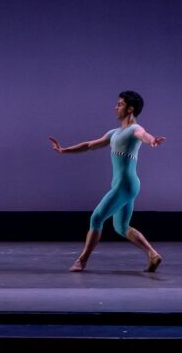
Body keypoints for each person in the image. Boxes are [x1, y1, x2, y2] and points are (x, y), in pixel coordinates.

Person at [50, 90, 164, 272]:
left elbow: (144, 134)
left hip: (124, 185)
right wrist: (64, 150)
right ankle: (152, 254)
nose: (115, 107)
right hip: (127, 185)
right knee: (121, 227)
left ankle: (81, 260)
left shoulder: (134, 129)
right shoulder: (114, 133)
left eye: (119, 104)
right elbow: (88, 145)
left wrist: (152, 141)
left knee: (96, 218)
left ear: (130, 109)